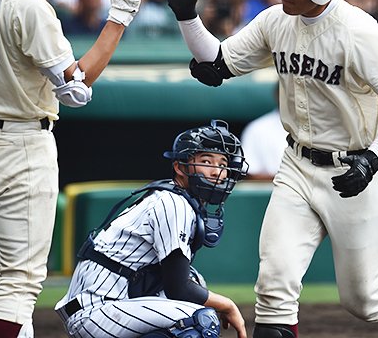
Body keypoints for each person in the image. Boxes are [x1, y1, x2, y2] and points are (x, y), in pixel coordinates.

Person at [155, 0, 378, 338]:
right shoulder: (276, 20)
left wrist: (374, 157)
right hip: (297, 166)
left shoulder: (359, 31)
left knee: (364, 299)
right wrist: (187, 16)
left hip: (357, 171)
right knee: (273, 289)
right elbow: (217, 63)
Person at [0, 0, 148, 338]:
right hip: (20, 141)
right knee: (23, 279)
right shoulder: (31, 4)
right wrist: (117, 21)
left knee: (7, 265)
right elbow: (77, 90)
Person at [55, 120, 248, 338]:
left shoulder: (178, 199)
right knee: (199, 321)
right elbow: (179, 288)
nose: (218, 172)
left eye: (223, 165)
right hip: (96, 311)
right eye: (206, 161)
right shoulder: (173, 203)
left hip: (112, 306)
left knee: (196, 283)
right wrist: (228, 305)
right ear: (180, 167)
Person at [240, 84, 287, 182]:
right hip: (274, 193)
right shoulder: (258, 128)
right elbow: (249, 175)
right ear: (277, 94)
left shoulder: (323, 127)